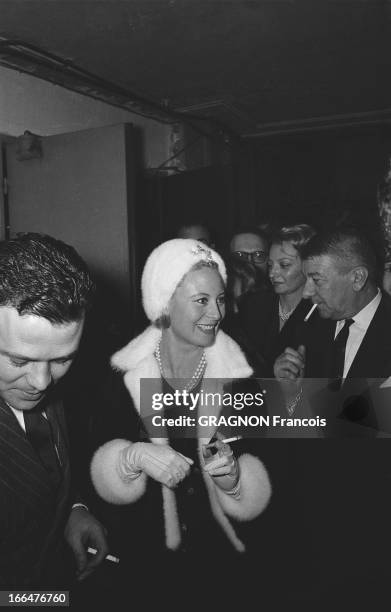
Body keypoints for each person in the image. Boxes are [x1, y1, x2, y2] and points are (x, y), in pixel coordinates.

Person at [90, 239, 271, 565]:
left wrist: (235, 484)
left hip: (226, 558)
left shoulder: (244, 373)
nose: (216, 313)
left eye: (220, 299)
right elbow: (92, 467)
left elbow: (277, 467)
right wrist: (128, 460)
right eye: (201, 300)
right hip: (147, 560)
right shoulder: (122, 375)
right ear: (164, 303)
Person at [0, 233, 108, 588]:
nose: (43, 382)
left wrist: (72, 511)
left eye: (63, 359)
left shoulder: (39, 381)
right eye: (19, 360)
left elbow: (39, 471)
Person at [239, 224, 319, 376]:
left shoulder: (321, 312)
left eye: (284, 265)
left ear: (309, 265)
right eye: (270, 265)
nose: (272, 273)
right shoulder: (253, 305)